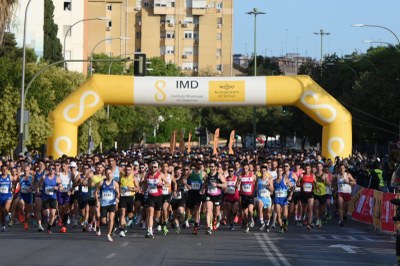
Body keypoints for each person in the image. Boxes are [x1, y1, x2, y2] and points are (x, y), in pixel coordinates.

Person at [143, 161, 168, 239]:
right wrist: (144, 190)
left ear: (157, 168)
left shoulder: (160, 175)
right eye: (152, 167)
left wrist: (162, 184)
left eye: (155, 167)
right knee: (150, 213)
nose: (153, 168)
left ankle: (157, 221)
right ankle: (150, 231)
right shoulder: (147, 175)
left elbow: (168, 183)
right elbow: (145, 185)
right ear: (150, 167)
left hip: (159, 197)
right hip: (150, 196)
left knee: (157, 215)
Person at [201, 160, 226, 235]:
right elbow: (205, 184)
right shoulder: (207, 175)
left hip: (217, 196)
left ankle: (217, 218)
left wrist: (217, 184)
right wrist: (202, 189)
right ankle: (208, 227)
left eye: (212, 167)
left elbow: (225, 185)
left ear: (215, 167)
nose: (211, 168)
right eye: (210, 167)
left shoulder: (219, 175)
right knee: (209, 210)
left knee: (216, 213)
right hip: (209, 195)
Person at [96, 167, 120, 242]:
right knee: (104, 221)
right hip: (104, 204)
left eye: (110, 173)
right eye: (107, 173)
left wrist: (117, 198)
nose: (109, 175)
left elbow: (118, 192)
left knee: (111, 218)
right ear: (105, 175)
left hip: (112, 203)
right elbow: (96, 192)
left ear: (112, 174)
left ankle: (108, 234)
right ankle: (100, 223)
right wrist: (97, 201)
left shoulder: (115, 183)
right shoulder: (101, 182)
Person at [185, 160, 206, 235]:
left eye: (201, 164)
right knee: (191, 210)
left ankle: (195, 227)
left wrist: (203, 189)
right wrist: (187, 185)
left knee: (197, 209)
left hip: (198, 193)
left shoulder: (203, 173)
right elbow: (183, 179)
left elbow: (206, 182)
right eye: (198, 163)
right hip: (191, 192)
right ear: (196, 164)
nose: (199, 165)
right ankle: (193, 217)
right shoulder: (191, 172)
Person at [118, 164, 139, 237]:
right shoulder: (121, 177)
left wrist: (131, 189)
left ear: (131, 170)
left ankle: (130, 220)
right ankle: (122, 230)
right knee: (122, 213)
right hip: (123, 197)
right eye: (126, 170)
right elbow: (119, 186)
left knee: (130, 214)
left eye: (129, 170)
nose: (127, 171)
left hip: (130, 197)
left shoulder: (133, 178)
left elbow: (137, 188)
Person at [41, 165, 62, 234]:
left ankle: (49, 228)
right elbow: (38, 184)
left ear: (55, 170)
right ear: (48, 169)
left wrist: (58, 188)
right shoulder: (44, 177)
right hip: (45, 197)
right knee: (46, 213)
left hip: (53, 197)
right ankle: (46, 218)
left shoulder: (57, 178)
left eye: (53, 169)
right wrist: (38, 190)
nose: (51, 170)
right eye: (50, 168)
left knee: (52, 214)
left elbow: (61, 187)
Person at [273, 164, 292, 233]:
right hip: (277, 199)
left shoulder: (285, 179)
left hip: (284, 199)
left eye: (280, 171)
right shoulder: (274, 180)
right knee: (278, 214)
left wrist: (290, 194)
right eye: (278, 171)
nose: (279, 172)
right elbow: (271, 189)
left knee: (285, 215)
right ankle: (281, 227)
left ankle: (285, 224)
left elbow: (292, 187)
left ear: (282, 171)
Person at [239, 161, 256, 233]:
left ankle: (251, 218)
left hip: (250, 196)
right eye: (244, 168)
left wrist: (254, 192)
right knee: (244, 214)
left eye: (246, 168)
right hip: (243, 196)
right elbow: (238, 186)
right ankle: (247, 225)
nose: (245, 170)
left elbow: (256, 184)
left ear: (248, 168)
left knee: (250, 210)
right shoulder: (240, 176)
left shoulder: (253, 175)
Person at [255, 165, 274, 232]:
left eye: (264, 171)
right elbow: (255, 187)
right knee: (260, 208)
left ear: (266, 171)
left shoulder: (269, 180)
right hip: (260, 197)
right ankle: (262, 223)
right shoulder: (258, 179)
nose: (263, 172)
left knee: (268, 213)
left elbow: (272, 190)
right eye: (262, 171)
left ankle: (267, 223)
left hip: (267, 198)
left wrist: (268, 186)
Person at [298, 163, 316, 230]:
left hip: (310, 194)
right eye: (306, 168)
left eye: (308, 168)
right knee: (304, 209)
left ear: (310, 169)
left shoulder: (313, 176)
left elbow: (315, 184)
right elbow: (297, 184)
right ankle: (303, 217)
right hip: (303, 193)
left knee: (310, 208)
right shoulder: (302, 175)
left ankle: (309, 223)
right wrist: (300, 181)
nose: (307, 170)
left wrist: (315, 186)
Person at [313, 162, 330, 228]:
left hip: (323, 193)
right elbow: (313, 181)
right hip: (316, 193)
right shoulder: (314, 174)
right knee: (316, 206)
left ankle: (320, 217)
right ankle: (318, 219)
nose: (319, 168)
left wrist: (325, 179)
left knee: (322, 210)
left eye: (320, 166)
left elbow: (328, 184)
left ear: (322, 167)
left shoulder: (325, 175)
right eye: (318, 166)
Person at [223, 164, 240, 231]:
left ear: (234, 171)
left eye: (232, 171)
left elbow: (238, 187)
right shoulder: (226, 179)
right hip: (228, 198)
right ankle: (231, 224)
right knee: (229, 211)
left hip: (235, 197)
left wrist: (238, 182)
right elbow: (224, 189)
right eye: (229, 171)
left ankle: (233, 219)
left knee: (234, 211)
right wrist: (225, 189)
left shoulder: (236, 178)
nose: (230, 172)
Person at [0, 164, 16, 231]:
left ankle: (8, 214)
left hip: (8, 196)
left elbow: (15, 182)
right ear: (1, 170)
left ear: (7, 170)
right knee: (1, 213)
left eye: (6, 169)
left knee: (6, 209)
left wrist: (12, 188)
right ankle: (3, 225)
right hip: (0, 196)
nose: (4, 170)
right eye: (3, 169)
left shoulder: (10, 177)